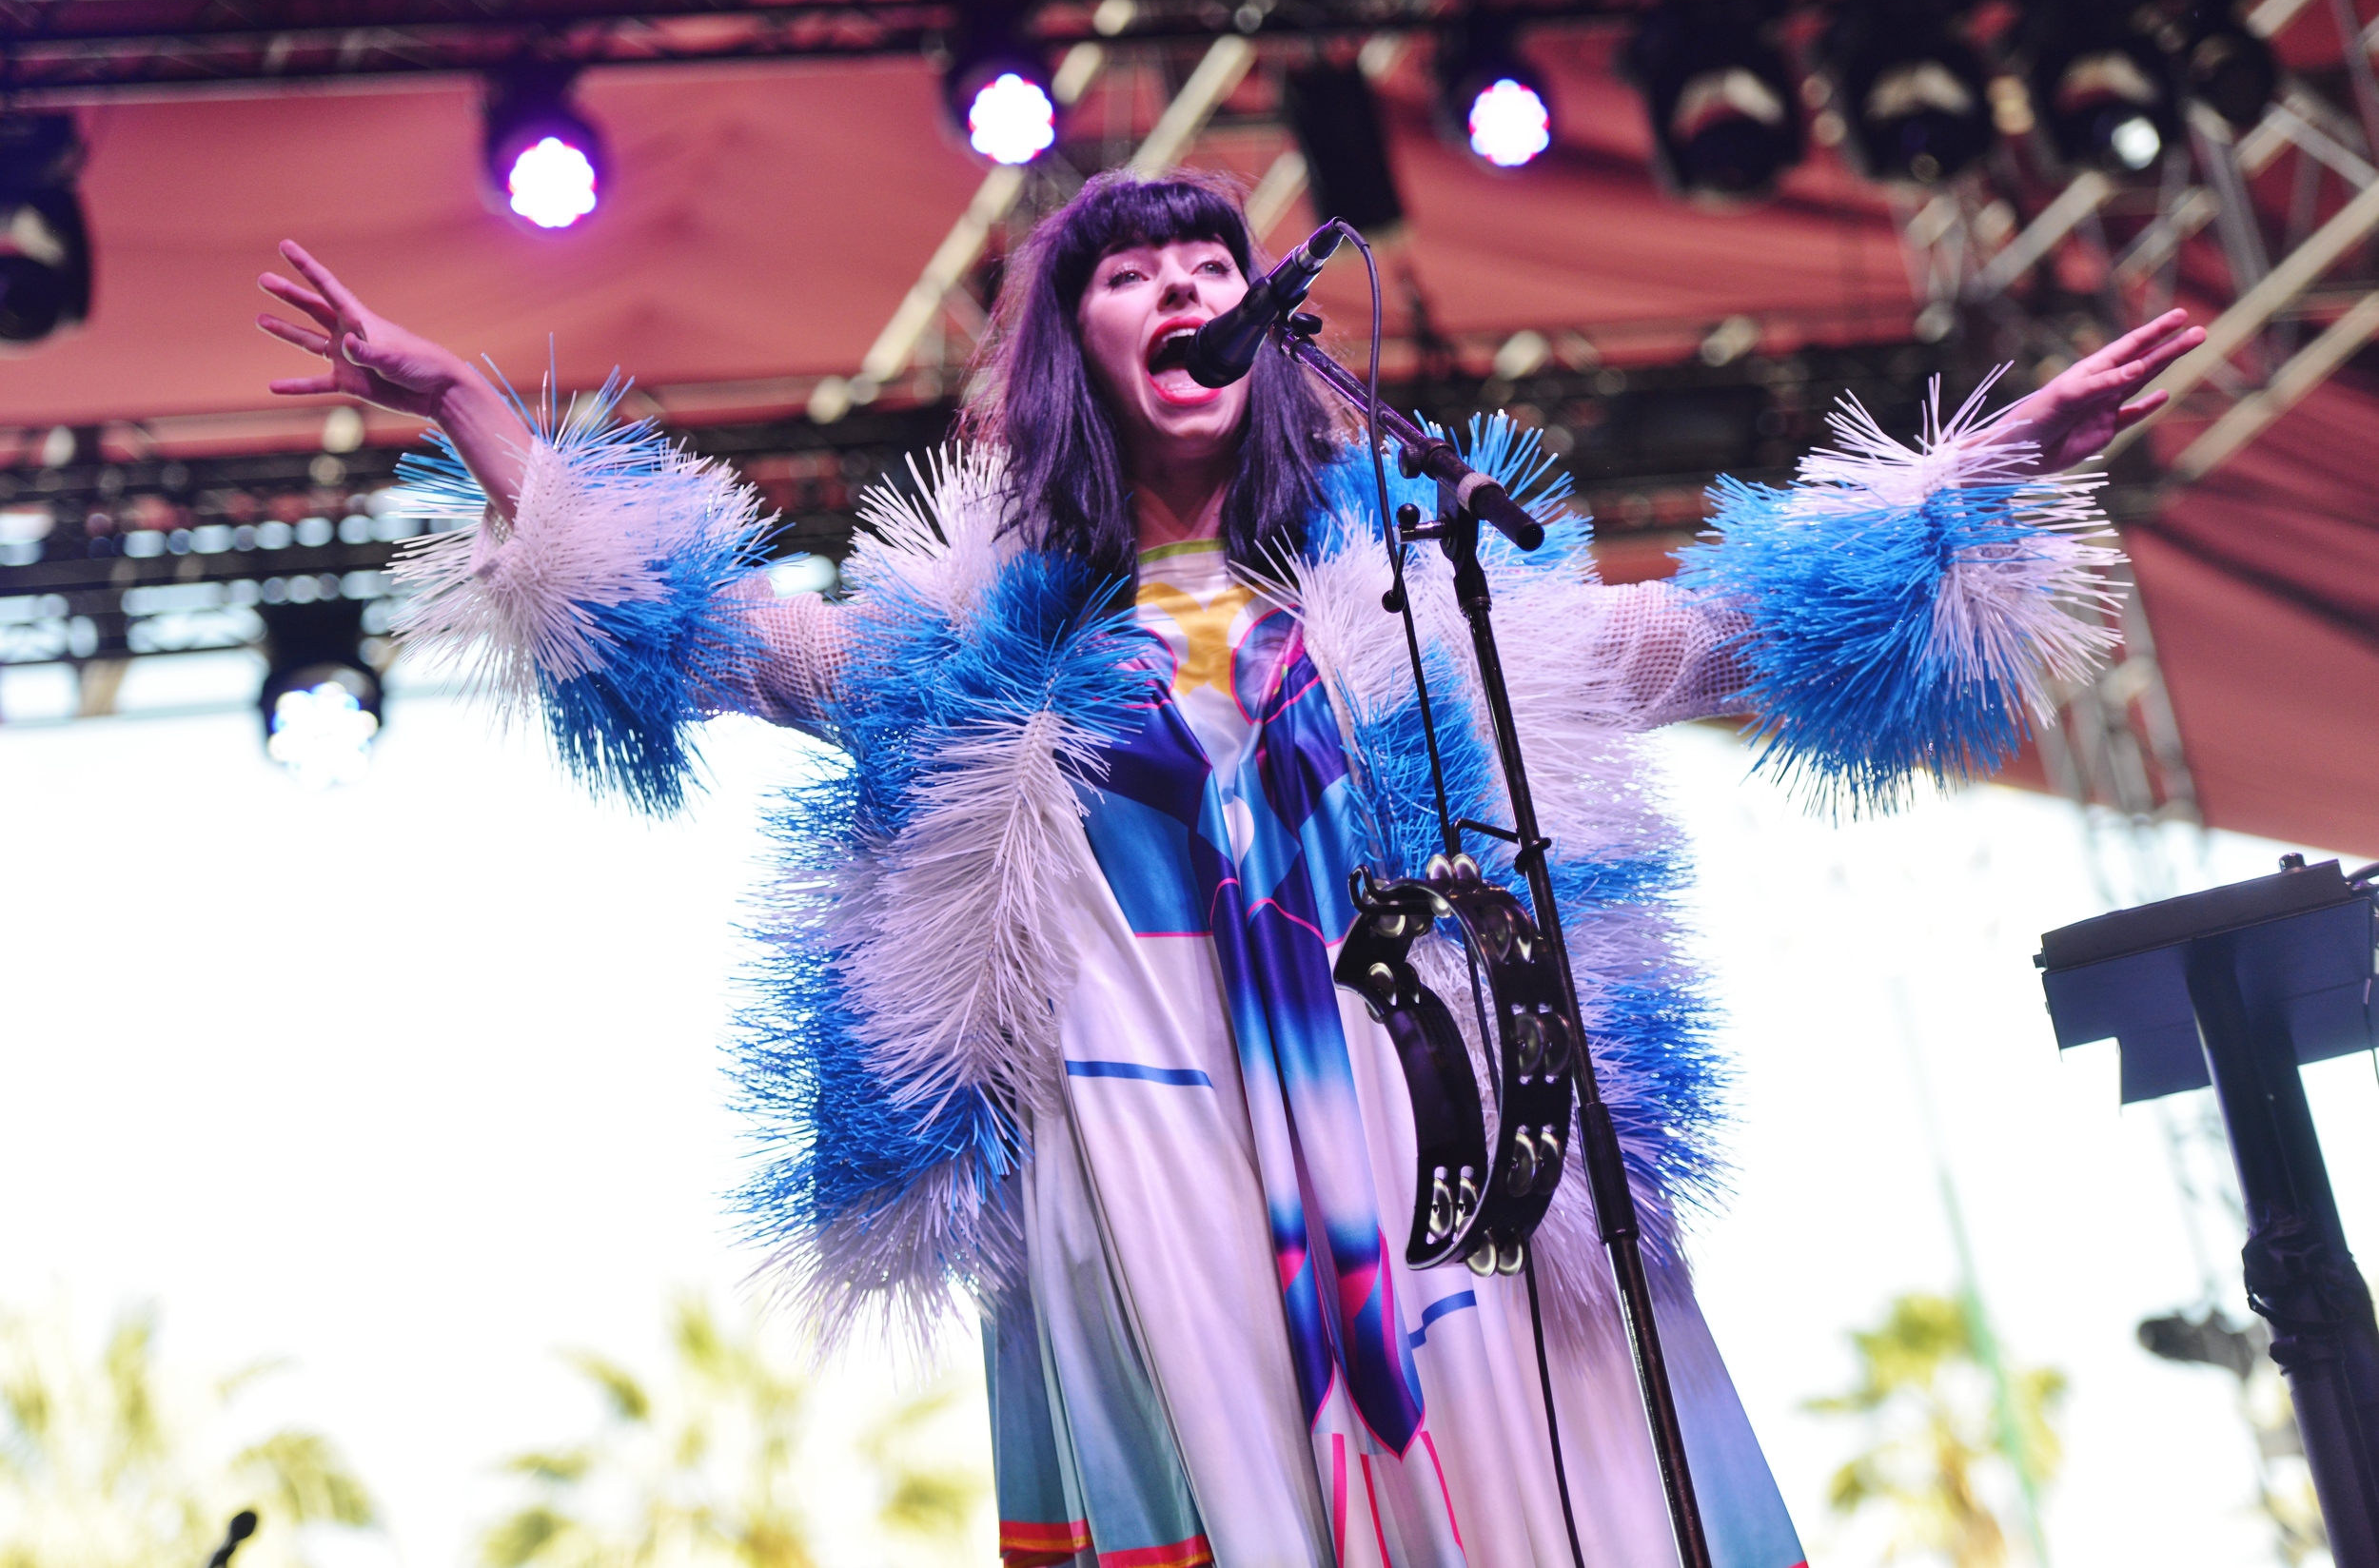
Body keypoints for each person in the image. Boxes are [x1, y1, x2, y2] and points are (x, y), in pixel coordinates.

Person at [258, 171, 2202, 1568]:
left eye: (1211, 256)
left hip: (1430, 1103)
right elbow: (718, 631)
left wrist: (1976, 481)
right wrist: (464, 409)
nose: (1188, 280)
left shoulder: (1417, 585)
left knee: (1529, 1463)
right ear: (1070, 344)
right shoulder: (961, 653)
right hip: (1145, 1134)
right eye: (1136, 269)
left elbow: (1692, 633)